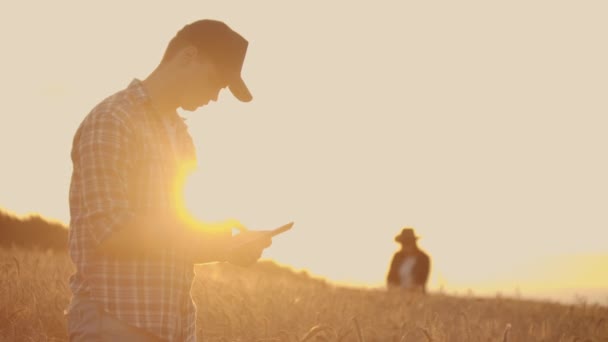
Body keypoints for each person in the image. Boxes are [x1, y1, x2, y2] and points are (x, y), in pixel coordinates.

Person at [66, 19, 271, 341]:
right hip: (115, 322)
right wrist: (204, 235)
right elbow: (111, 230)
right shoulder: (112, 120)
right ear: (188, 56)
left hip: (174, 328)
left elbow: (171, 240)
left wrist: (225, 246)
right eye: (216, 81)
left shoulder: (180, 136)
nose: (216, 97)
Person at [386, 228, 431, 293]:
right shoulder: (397, 257)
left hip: (416, 295)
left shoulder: (423, 258)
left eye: (407, 243)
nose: (405, 246)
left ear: (413, 243)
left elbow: (421, 281)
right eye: (403, 243)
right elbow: (390, 278)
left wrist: (409, 291)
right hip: (396, 294)